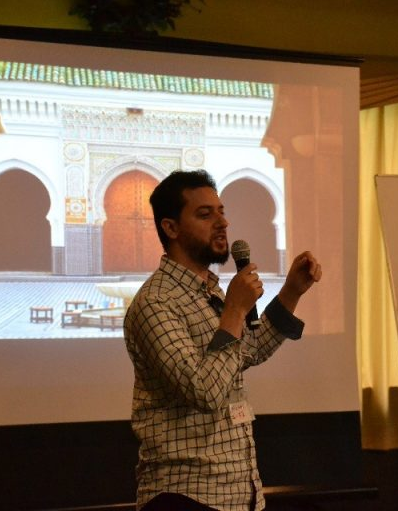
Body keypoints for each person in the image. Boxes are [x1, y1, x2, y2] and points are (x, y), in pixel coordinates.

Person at [123, 169, 322, 511]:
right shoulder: (155, 303)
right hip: (183, 495)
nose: (222, 223)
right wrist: (234, 310)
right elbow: (204, 389)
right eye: (205, 214)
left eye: (221, 212)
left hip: (238, 494)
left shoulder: (208, 291)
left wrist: (291, 292)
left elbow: (247, 351)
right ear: (171, 228)